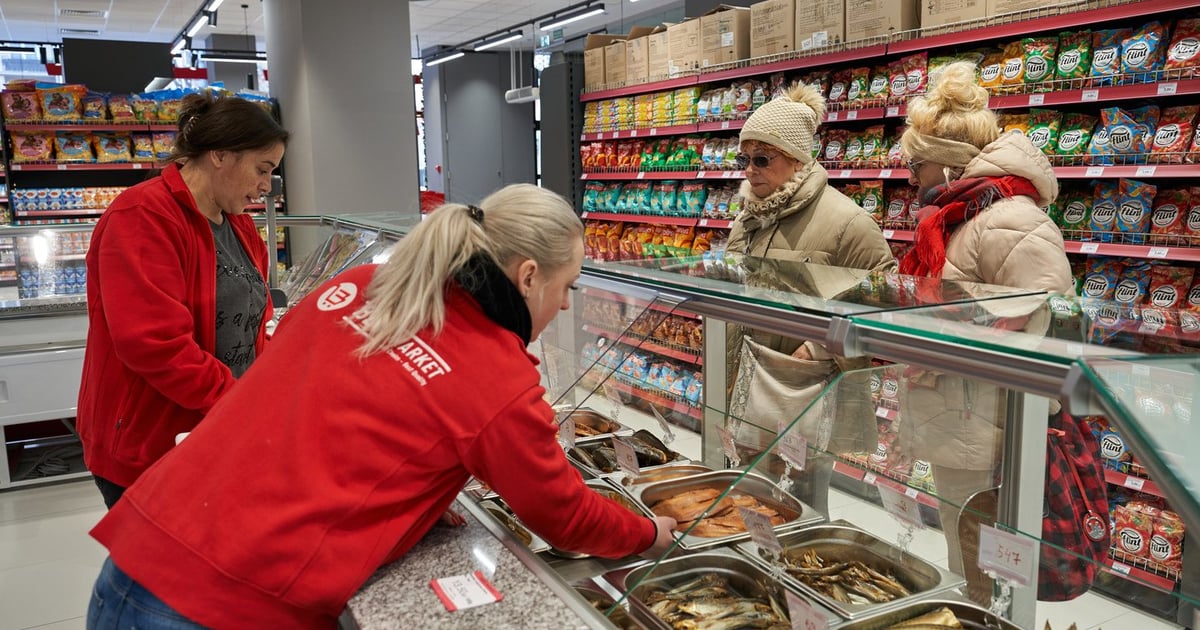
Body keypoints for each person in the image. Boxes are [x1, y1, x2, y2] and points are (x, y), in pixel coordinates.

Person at [85, 184, 678, 629]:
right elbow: (563, 516)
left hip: (143, 550)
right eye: (569, 285)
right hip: (226, 601)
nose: (569, 305)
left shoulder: (367, 284)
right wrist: (649, 533)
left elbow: (325, 405)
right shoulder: (496, 378)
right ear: (528, 277)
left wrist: (416, 496)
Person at [897, 61, 1075, 605]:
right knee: (967, 557)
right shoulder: (964, 216)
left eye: (917, 165)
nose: (911, 180)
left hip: (992, 431)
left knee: (988, 571)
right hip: (964, 418)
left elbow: (1051, 319)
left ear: (948, 166)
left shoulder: (1008, 219)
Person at [76, 92, 288, 509]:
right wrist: (240, 402)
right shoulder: (142, 216)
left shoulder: (240, 226)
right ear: (220, 155)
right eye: (262, 170)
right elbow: (154, 345)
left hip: (212, 430)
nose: (266, 187)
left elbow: (248, 323)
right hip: (149, 443)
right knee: (152, 571)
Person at [724, 82, 897, 518]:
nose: (749, 170)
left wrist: (817, 347)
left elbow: (883, 304)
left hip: (804, 391)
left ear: (798, 159)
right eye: (744, 158)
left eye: (763, 158)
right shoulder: (748, 219)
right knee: (747, 506)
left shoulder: (847, 223)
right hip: (745, 387)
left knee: (797, 509)